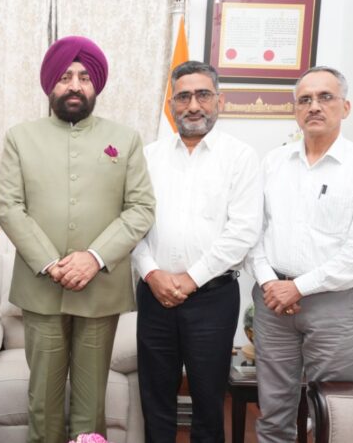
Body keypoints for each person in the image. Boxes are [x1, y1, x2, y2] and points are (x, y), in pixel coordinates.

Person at [0, 36, 155, 443]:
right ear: (50, 83)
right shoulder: (20, 137)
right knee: (43, 402)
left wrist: (94, 257)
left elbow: (141, 208)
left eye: (84, 77)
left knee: (91, 402)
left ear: (96, 85)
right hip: (41, 287)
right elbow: (8, 205)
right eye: (65, 76)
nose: (75, 86)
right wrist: (50, 262)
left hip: (100, 288)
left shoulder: (126, 138)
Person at [245, 66, 353, 442]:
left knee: (336, 411)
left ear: (346, 107)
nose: (314, 106)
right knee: (273, 413)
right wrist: (270, 284)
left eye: (325, 97)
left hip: (334, 305)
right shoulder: (273, 162)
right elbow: (253, 233)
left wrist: (298, 287)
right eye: (305, 99)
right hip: (273, 304)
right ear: (295, 110)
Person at [131, 60, 262, 442]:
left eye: (202, 95)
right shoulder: (148, 156)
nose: (193, 105)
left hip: (212, 298)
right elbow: (131, 223)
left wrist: (190, 279)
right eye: (183, 96)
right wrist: (152, 273)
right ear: (171, 104)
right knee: (155, 397)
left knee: (208, 400)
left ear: (219, 100)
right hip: (154, 295)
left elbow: (243, 231)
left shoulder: (240, 157)